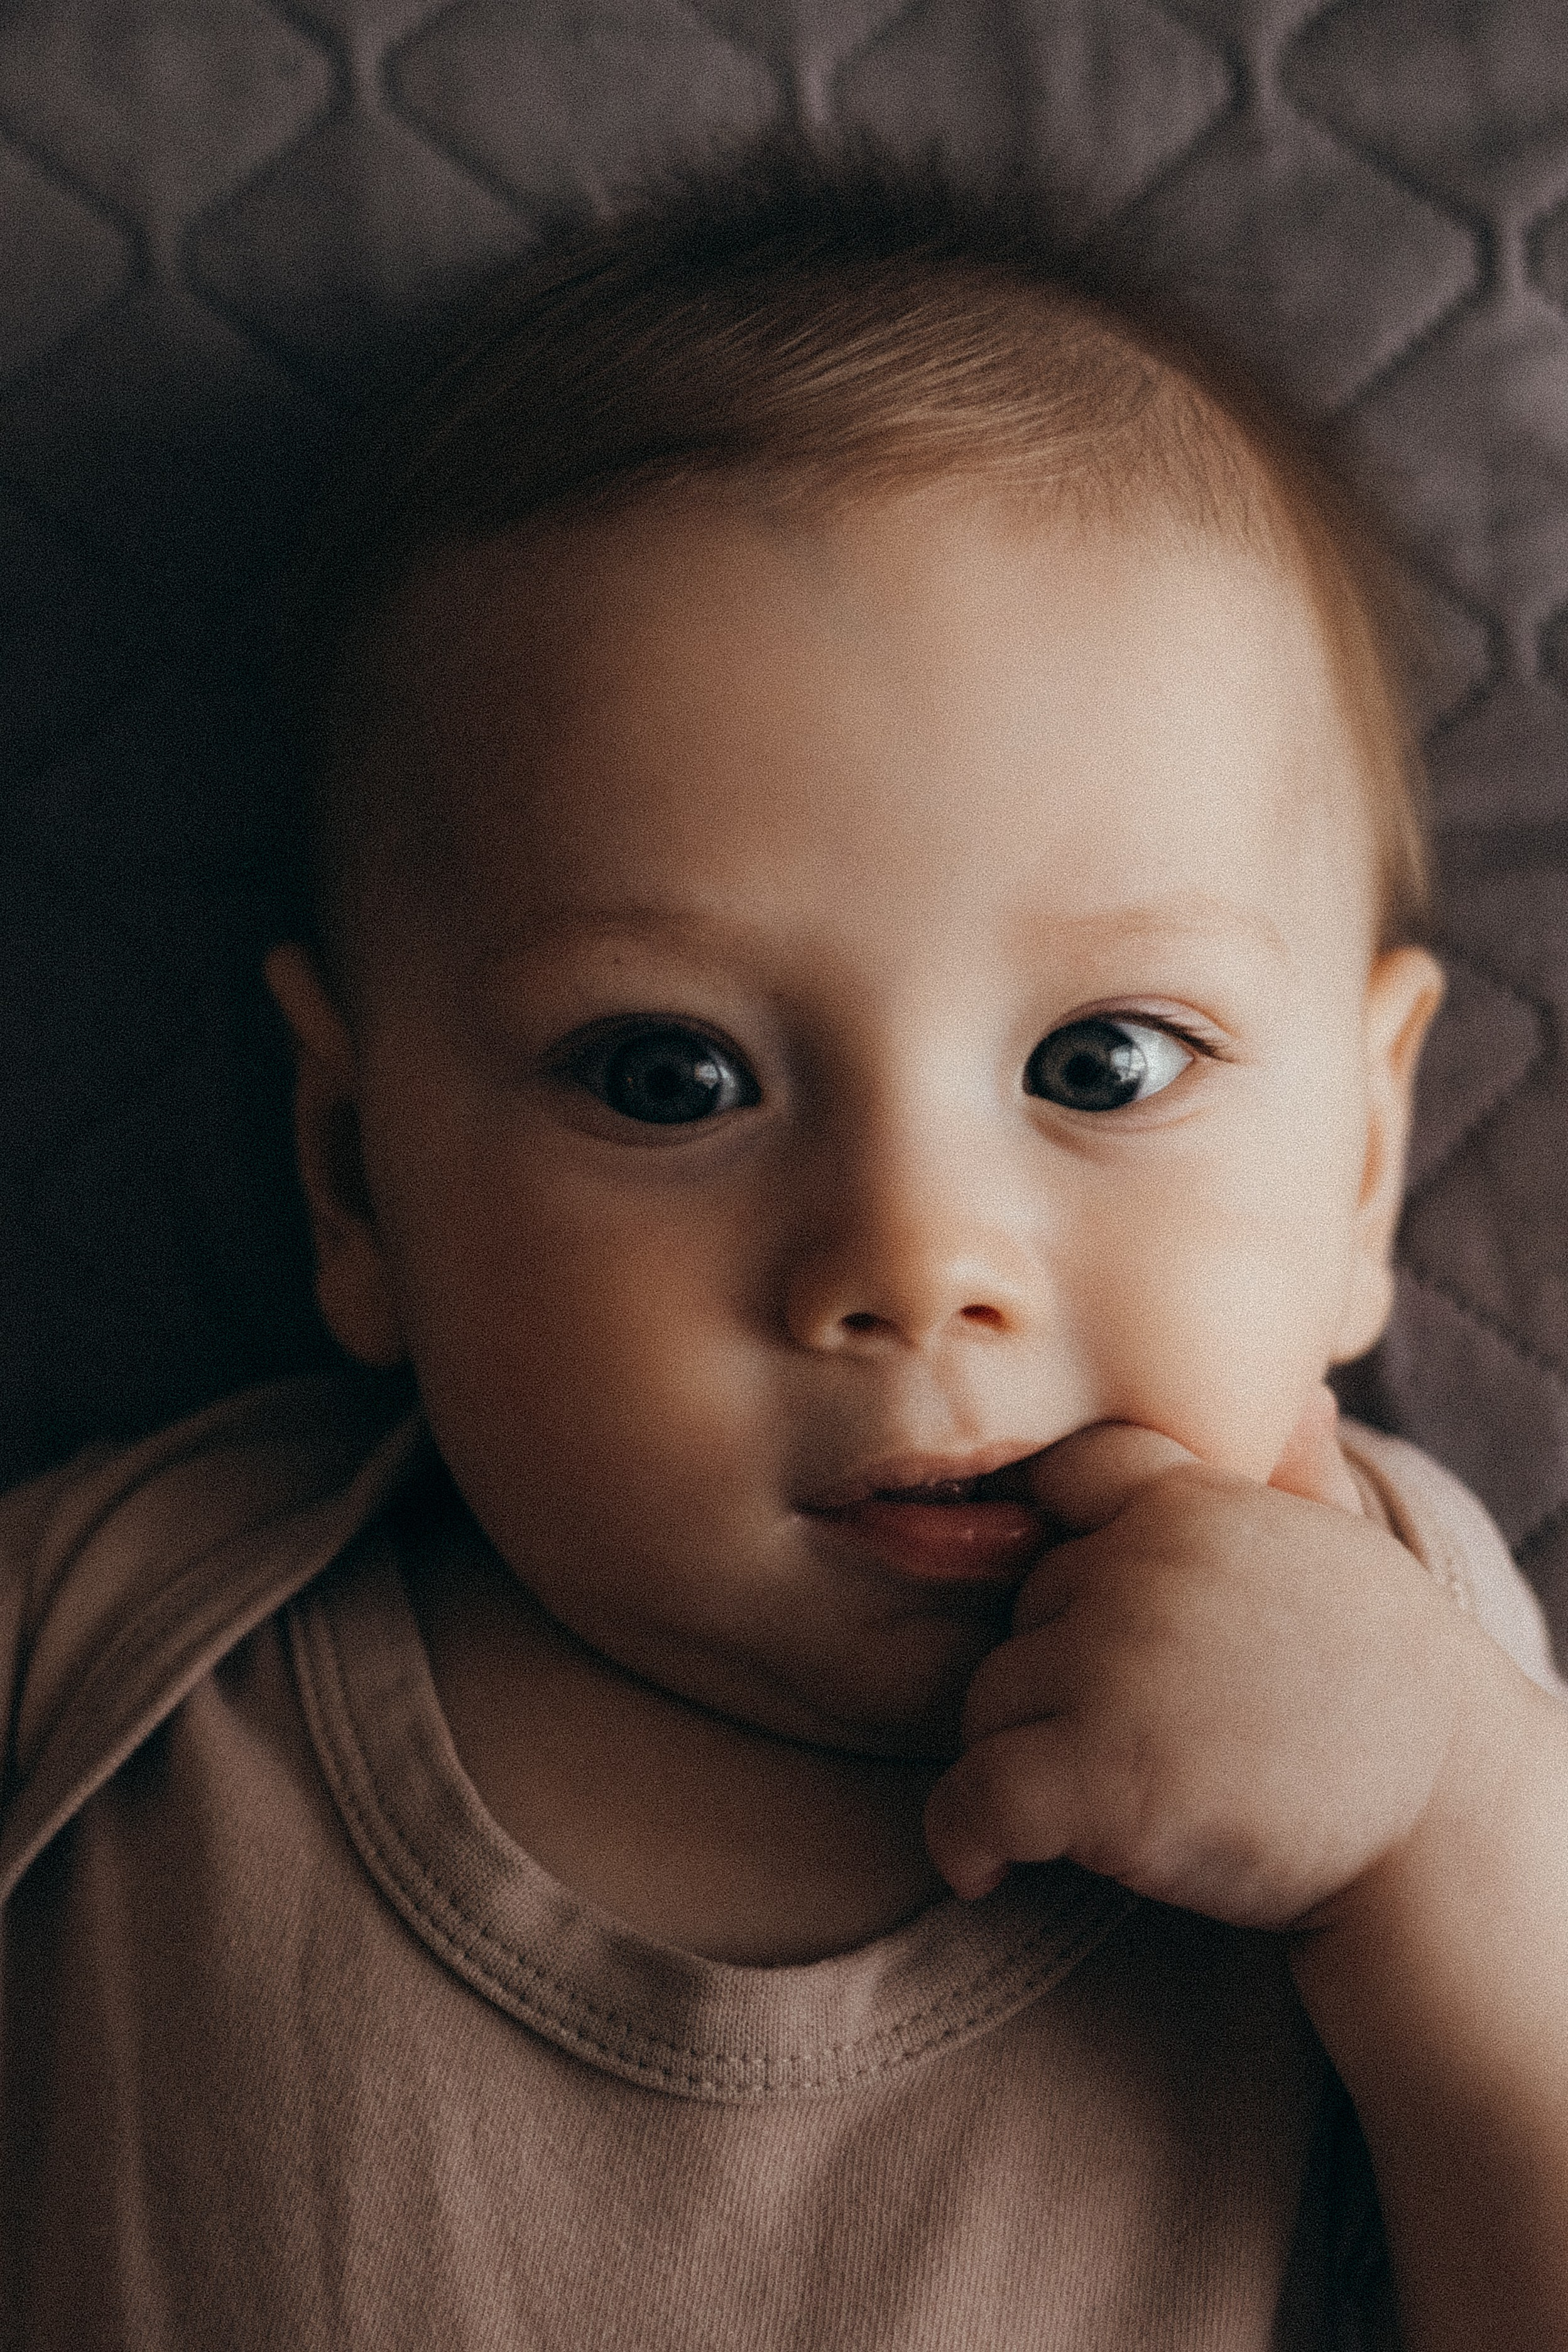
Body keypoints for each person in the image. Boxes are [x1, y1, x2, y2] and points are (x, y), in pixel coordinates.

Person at [4, 144, 1566, 2350]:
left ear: (1364, 1168)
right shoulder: (130, 1645)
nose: (918, 1263)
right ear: (355, 1176)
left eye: (1108, 1063)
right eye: (673, 1079)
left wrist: (1453, 1855)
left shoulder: (1404, 1702)